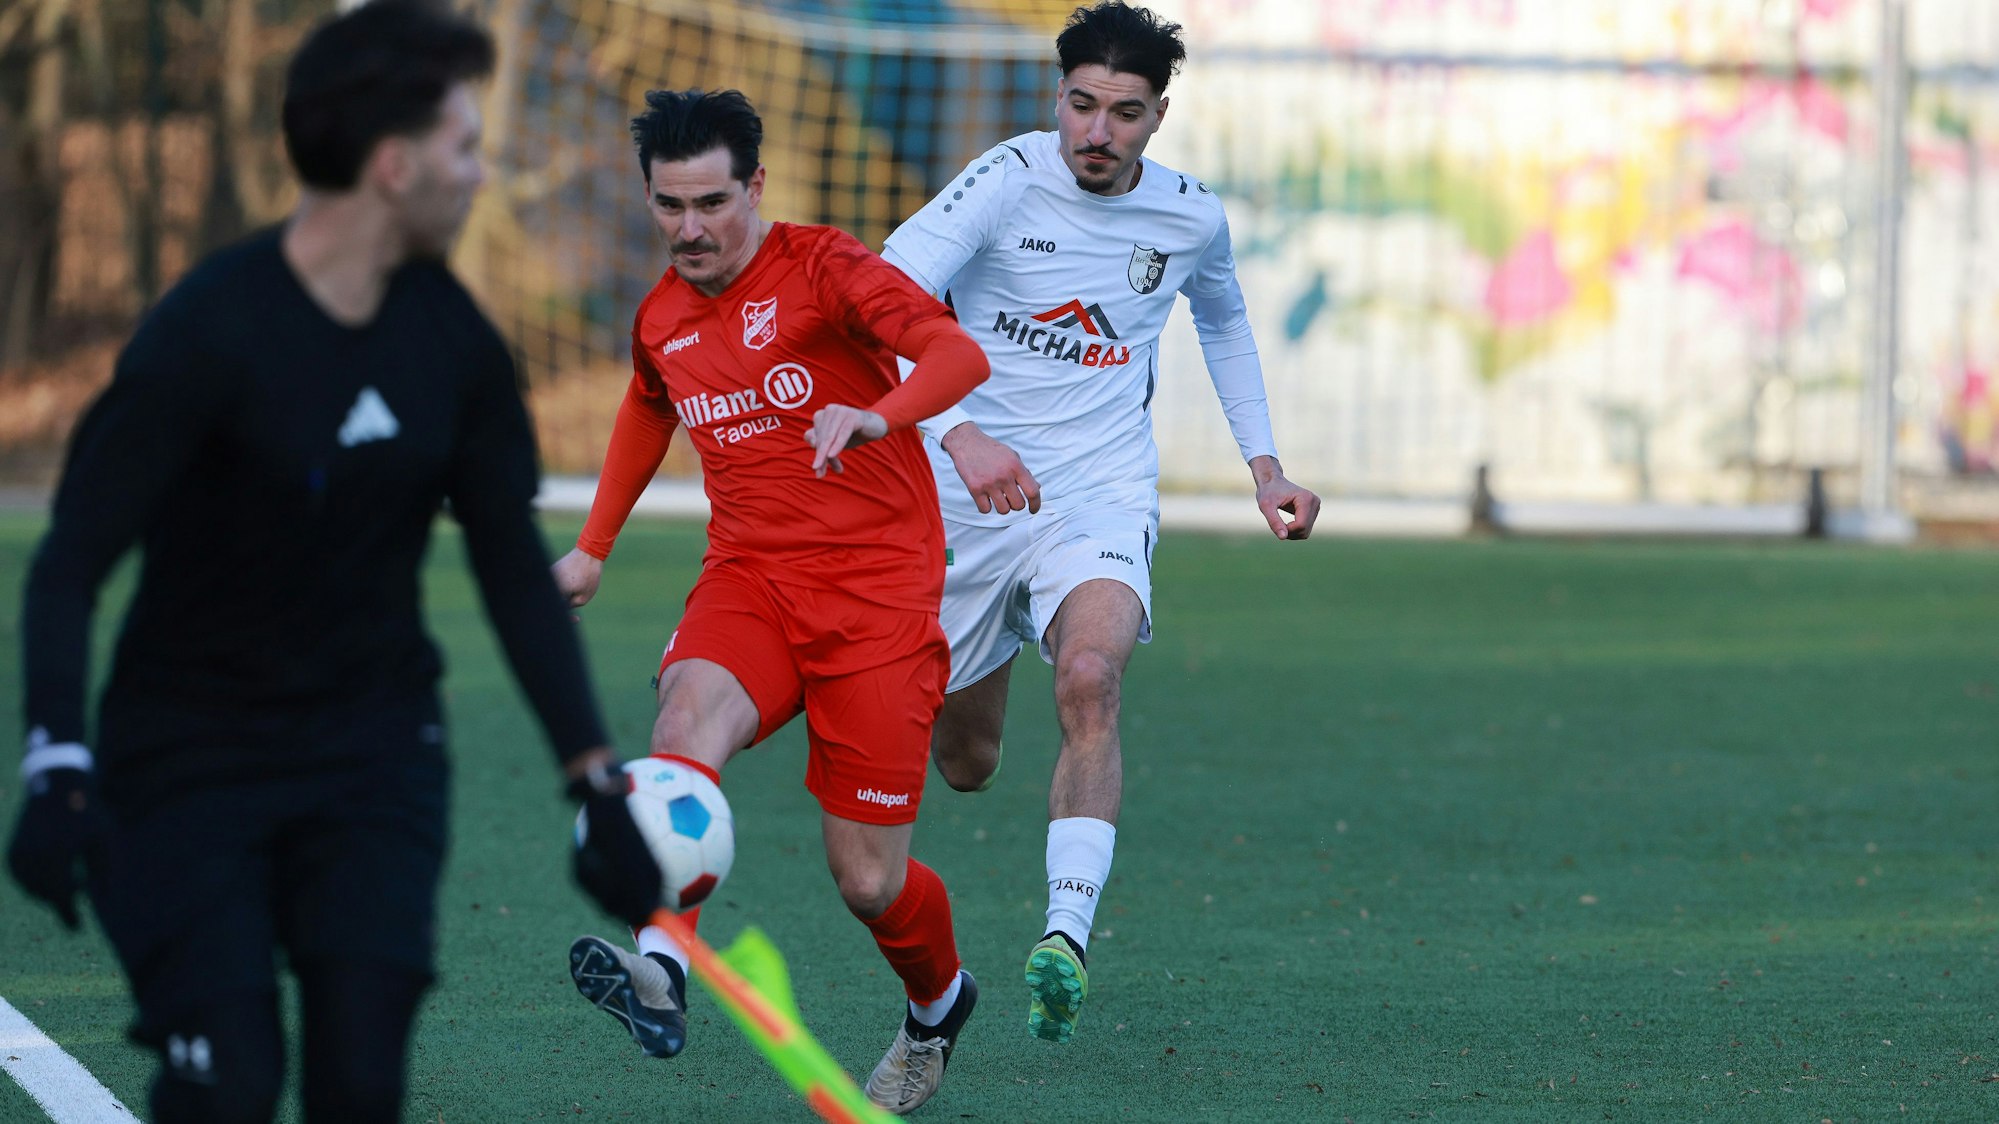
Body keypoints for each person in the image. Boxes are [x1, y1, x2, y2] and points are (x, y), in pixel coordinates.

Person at [5, 2, 666, 1120]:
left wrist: (594, 779)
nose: (482, 172)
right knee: (229, 1083)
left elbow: (512, 570)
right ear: (394, 166)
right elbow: (70, 560)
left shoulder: (454, 344)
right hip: (189, 759)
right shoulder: (205, 331)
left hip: (373, 759)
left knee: (359, 1085)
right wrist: (57, 757)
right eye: (464, 147)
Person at [879, 0, 1324, 1044]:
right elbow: (886, 294)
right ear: (1058, 98)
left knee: (1090, 675)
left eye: (1124, 113)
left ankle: (1064, 936)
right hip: (966, 496)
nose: (1097, 131)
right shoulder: (1003, 180)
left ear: (1157, 117)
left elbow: (1223, 319)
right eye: (1082, 105)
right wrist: (955, 431)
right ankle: (991, 651)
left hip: (1098, 491)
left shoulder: (1188, 216)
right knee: (966, 761)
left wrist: (1264, 466)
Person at [551, 89, 992, 1115]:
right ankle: (662, 966)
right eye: (669, 205)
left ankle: (938, 1001)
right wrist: (591, 549)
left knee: (867, 880)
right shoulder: (661, 315)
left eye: (711, 202)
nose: (690, 228)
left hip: (877, 596)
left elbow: (956, 354)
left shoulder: (825, 267)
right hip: (748, 578)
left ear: (755, 185)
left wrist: (880, 416)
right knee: (682, 725)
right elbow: (648, 405)